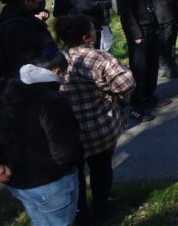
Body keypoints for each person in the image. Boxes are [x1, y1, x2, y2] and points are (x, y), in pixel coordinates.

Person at [0, 51, 83, 226]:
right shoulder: (52, 101)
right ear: (57, 71)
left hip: (17, 181)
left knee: (39, 221)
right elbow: (65, 151)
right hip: (51, 183)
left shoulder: (7, 93)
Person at [55, 15, 135, 224]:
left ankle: (80, 212)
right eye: (93, 29)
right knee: (101, 168)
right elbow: (125, 85)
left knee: (76, 173)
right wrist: (124, 72)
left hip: (69, 131)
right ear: (86, 37)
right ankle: (101, 209)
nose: (96, 32)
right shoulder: (99, 58)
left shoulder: (58, 59)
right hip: (98, 127)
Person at [114, 0, 163, 122]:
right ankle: (137, 104)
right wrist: (135, 33)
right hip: (138, 29)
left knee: (152, 64)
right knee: (139, 68)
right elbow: (125, 10)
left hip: (150, 25)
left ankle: (149, 96)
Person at [0, 0, 57, 89]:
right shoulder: (19, 26)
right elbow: (28, 59)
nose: (42, 2)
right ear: (27, 2)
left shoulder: (13, 18)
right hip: (12, 85)